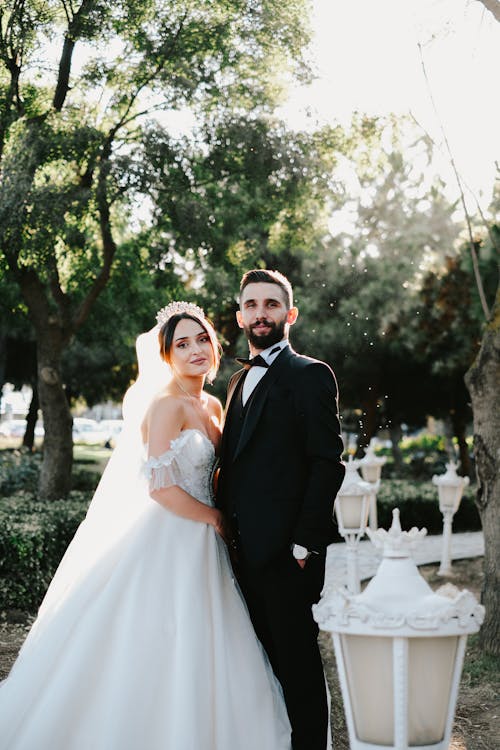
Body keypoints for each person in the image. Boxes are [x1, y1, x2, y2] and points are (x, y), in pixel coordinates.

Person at [0, 302, 291, 750]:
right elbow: (160, 487)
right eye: (182, 344)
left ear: (214, 347)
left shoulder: (214, 403)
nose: (195, 349)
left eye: (202, 340)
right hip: (171, 534)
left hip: (206, 542)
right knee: (158, 638)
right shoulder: (165, 405)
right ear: (167, 355)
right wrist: (213, 516)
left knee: (211, 643)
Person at [217, 270, 345, 750]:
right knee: (259, 663)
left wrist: (303, 543)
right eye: (251, 305)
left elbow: (326, 463)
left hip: (288, 555)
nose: (260, 314)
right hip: (240, 553)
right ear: (240, 316)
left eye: (271, 305)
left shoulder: (309, 374)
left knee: (298, 667)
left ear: (289, 314)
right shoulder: (236, 381)